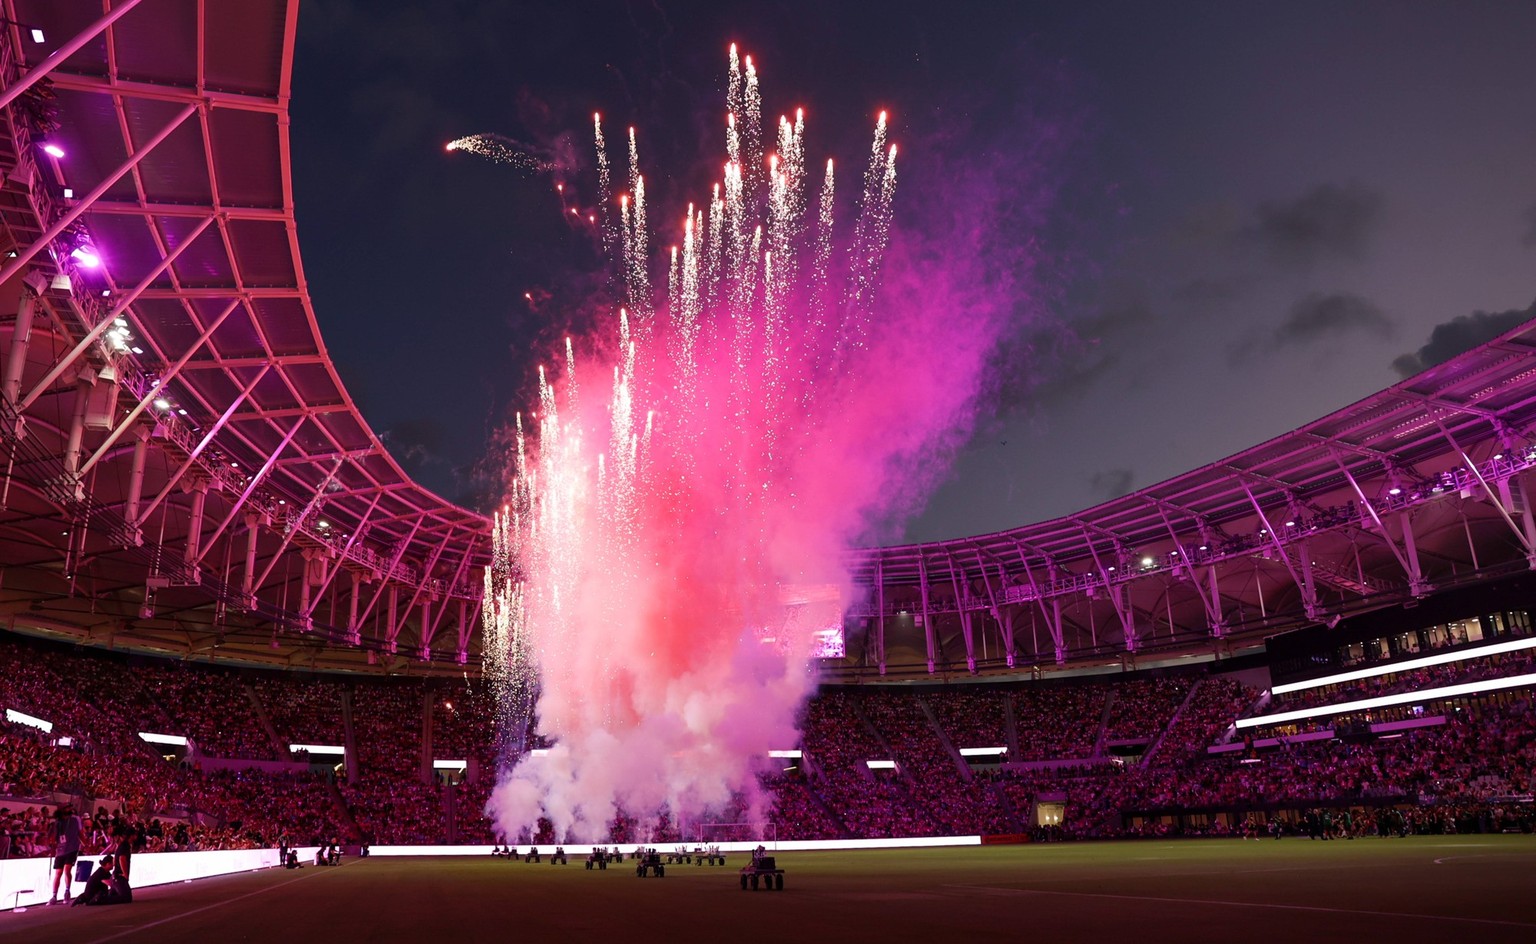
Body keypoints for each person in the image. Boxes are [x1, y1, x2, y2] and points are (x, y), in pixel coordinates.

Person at [47, 804, 83, 905]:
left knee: (67, 870)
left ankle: (67, 892)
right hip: (60, 850)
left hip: (72, 848)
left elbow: (80, 833)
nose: (70, 809)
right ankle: (54, 896)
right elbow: (53, 837)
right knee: (58, 873)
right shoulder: (57, 822)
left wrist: (85, 844)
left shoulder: (75, 819)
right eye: (67, 808)